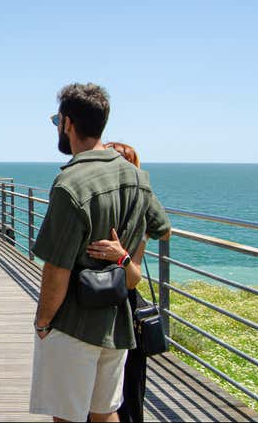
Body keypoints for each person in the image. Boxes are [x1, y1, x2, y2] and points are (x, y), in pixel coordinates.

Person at [29, 83, 171, 423]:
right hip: (118, 317)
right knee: (105, 412)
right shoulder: (137, 177)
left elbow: (57, 268)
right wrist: (124, 251)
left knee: (66, 416)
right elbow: (162, 227)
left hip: (75, 321)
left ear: (67, 123)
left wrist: (43, 320)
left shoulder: (70, 184)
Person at [86, 142, 159, 423]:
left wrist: (121, 256)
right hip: (97, 306)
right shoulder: (107, 211)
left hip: (122, 309)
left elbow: (132, 279)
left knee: (122, 396)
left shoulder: (137, 215)